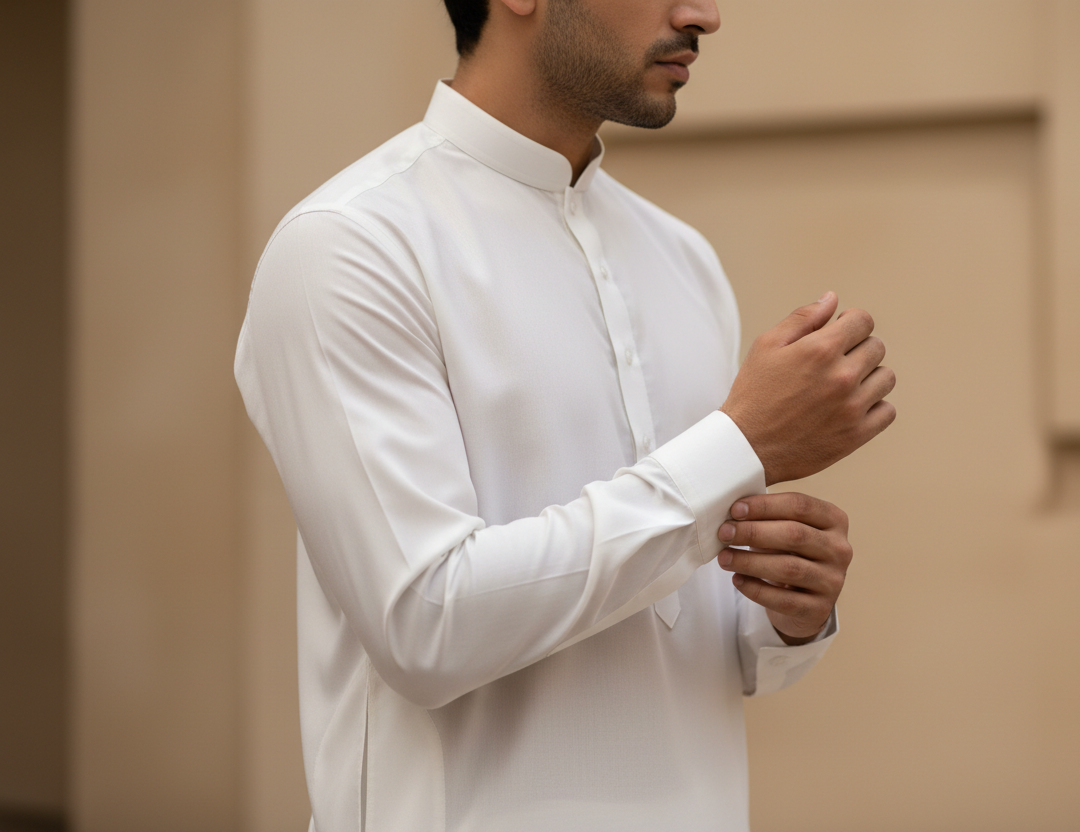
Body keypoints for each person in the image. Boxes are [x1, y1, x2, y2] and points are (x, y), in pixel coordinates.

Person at [234, 0, 896, 829]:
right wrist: (742, 444)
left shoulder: (683, 260)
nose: (704, 15)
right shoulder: (351, 248)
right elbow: (423, 626)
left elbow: (695, 634)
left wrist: (788, 612)